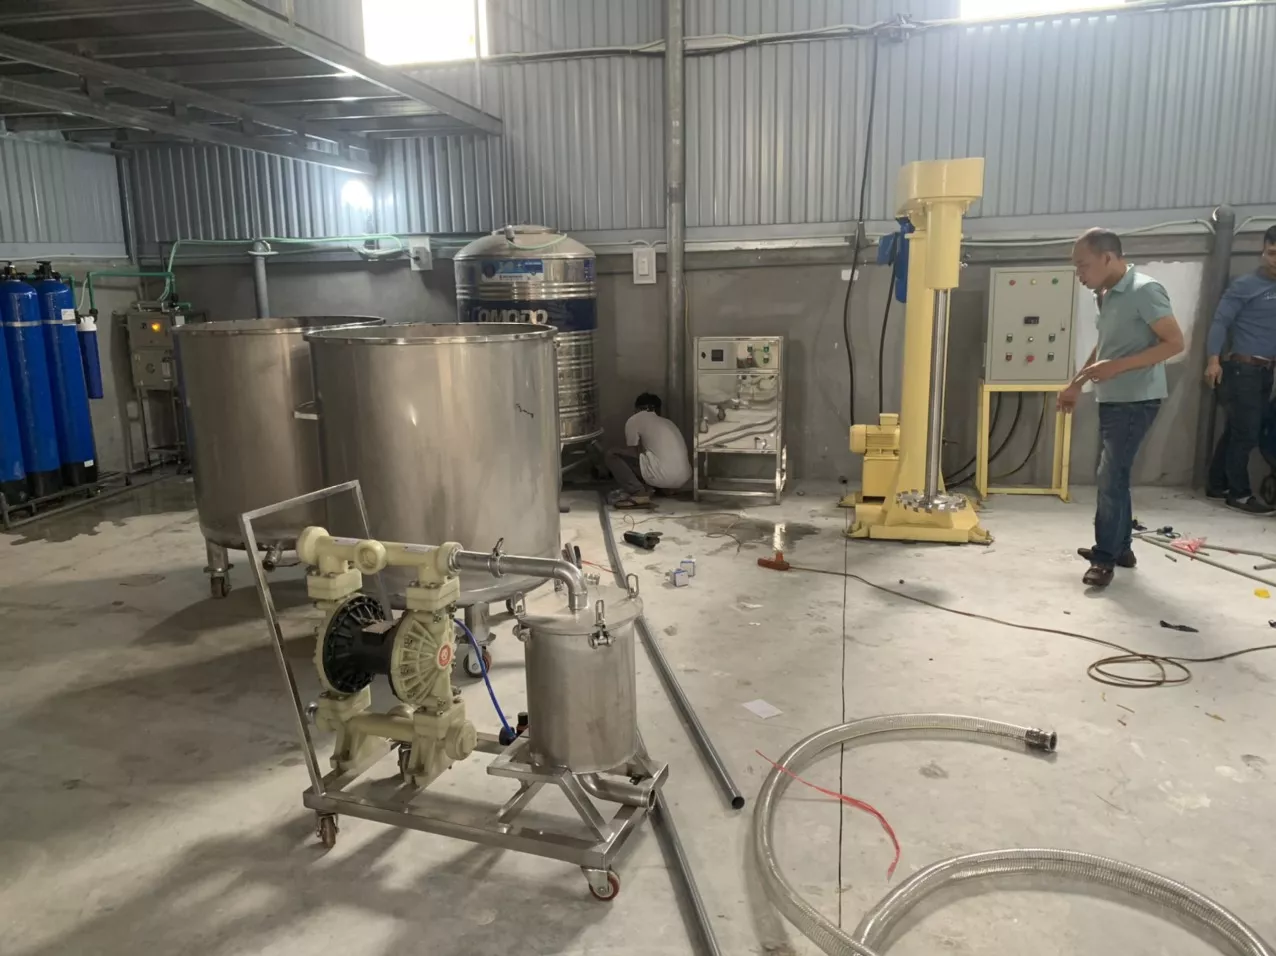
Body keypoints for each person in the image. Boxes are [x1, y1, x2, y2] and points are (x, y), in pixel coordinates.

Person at [1059, 229, 1185, 588]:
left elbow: (1175, 342)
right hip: (1113, 399)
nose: (1079, 274)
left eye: (1083, 265)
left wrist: (1117, 367)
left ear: (1108, 258)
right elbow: (1105, 346)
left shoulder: (1145, 290)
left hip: (1136, 400)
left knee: (1110, 478)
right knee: (1115, 476)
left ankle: (1104, 558)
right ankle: (1122, 548)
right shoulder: (1105, 294)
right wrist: (1076, 383)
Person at [1205, 225, 1276, 515]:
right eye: (1272, 253)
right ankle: (1240, 494)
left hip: (1265, 371)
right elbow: (1220, 321)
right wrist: (1213, 360)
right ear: (1263, 252)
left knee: (1237, 429)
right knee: (1246, 433)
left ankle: (1216, 484)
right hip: (1241, 370)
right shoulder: (1245, 285)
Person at [594, 392, 691, 508]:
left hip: (662, 476)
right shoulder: (669, 422)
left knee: (611, 455)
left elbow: (633, 451)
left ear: (637, 409)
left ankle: (638, 493)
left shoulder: (635, 420)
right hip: (683, 479)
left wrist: (615, 450)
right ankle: (666, 489)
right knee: (649, 459)